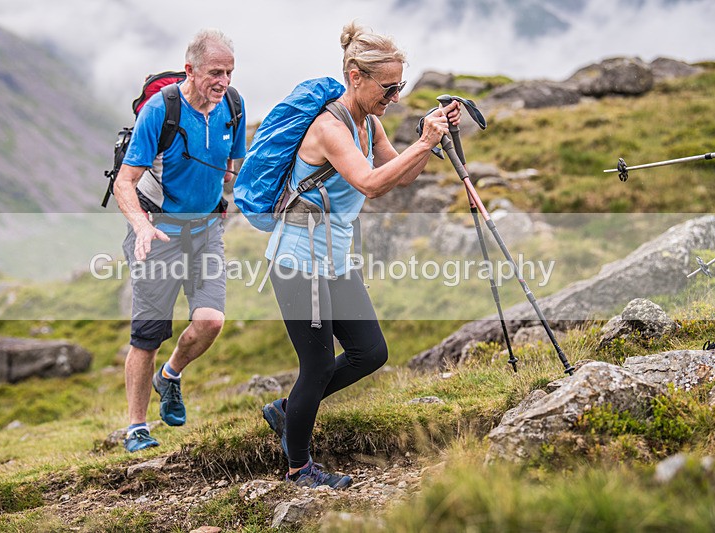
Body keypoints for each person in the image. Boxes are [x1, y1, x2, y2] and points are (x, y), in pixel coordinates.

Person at [260, 22, 461, 488]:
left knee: (370, 352)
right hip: (298, 260)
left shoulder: (369, 123)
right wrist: (426, 142)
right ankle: (298, 468)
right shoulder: (330, 128)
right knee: (315, 365)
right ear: (356, 76)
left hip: (334, 257)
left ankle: (287, 412)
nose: (393, 96)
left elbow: (399, 177)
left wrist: (425, 142)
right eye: (388, 87)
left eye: (400, 87)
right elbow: (369, 184)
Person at [114, 29, 246, 452]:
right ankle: (136, 428)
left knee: (210, 321)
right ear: (189, 70)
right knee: (147, 335)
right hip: (160, 232)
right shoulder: (162, 109)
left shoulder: (234, 106)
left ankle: (169, 375)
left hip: (207, 232)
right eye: (214, 72)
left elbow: (232, 168)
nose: (222, 80)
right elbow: (125, 182)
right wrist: (141, 226)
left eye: (228, 72)